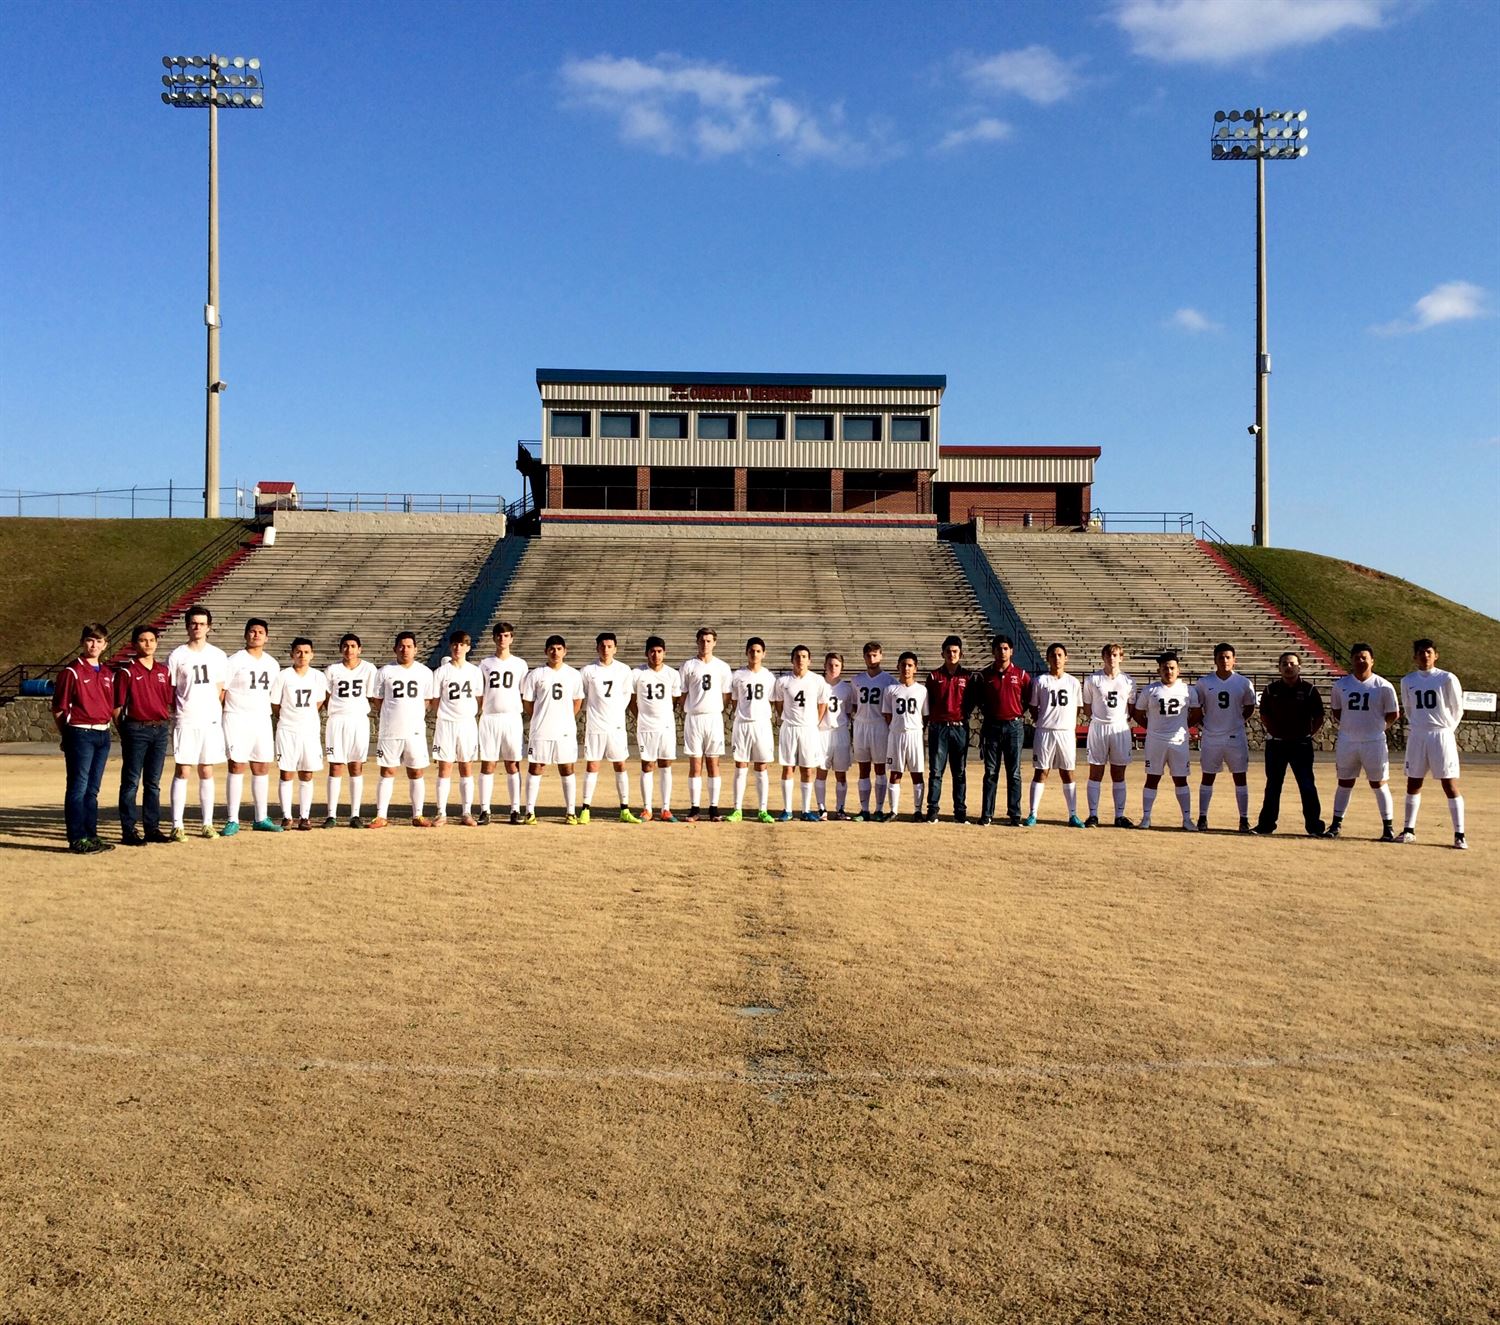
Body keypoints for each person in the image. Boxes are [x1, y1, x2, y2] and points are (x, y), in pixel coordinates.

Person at [166, 604, 229, 840]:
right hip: (186, 719)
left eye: (202, 623)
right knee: (183, 770)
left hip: (210, 721)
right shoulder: (177, 655)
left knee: (206, 770)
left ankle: (207, 823)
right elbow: (171, 690)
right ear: (187, 626)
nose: (197, 627)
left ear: (209, 627)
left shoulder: (218, 655)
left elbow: (221, 690)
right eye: (193, 623)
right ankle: (177, 824)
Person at [53, 622, 116, 854]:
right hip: (80, 732)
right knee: (78, 787)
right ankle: (77, 837)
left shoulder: (108, 673)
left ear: (105, 645)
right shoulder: (72, 672)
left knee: (93, 790)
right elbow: (59, 708)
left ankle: (91, 834)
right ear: (82, 642)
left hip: (102, 733)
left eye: (99, 641)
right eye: (90, 640)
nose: (94, 645)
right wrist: (67, 734)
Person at [1399, 638, 1467, 849]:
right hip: (1418, 734)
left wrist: (1447, 731)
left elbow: (1457, 708)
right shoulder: (1408, 680)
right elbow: (1408, 708)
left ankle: (1459, 834)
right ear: (1414, 656)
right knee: (1413, 782)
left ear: (1435, 655)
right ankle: (1409, 830)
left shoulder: (1446, 678)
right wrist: (1419, 727)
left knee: (1449, 783)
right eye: (1420, 652)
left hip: (1441, 734)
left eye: (1428, 652)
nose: (1424, 655)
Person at [1328, 642, 1399, 841]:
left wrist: (1377, 728)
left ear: (1372, 660)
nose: (1360, 661)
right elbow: (1337, 711)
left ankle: (1388, 826)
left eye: (1364, 657)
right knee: (1344, 782)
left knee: (1379, 783)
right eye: (1357, 658)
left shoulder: (1383, 686)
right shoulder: (1341, 685)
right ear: (1351, 660)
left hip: (1374, 741)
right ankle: (1336, 824)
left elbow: (1393, 714)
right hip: (1348, 741)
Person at [1253, 650, 1326, 838]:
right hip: (1277, 745)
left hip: (1301, 745)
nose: (1288, 666)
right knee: (1273, 785)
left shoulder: (1309, 690)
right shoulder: (1271, 690)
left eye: (1292, 663)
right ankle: (1266, 824)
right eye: (1284, 664)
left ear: (1299, 666)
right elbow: (1264, 715)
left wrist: (1308, 734)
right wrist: (1274, 732)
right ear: (1279, 668)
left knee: (1307, 785)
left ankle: (1314, 826)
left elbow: (1319, 716)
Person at [113, 624, 173, 845]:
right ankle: (128, 830)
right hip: (136, 728)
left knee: (153, 782)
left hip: (159, 729)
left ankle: (152, 828)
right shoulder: (126, 672)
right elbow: (117, 707)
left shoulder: (163, 671)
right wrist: (125, 732)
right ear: (134, 644)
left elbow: (166, 701)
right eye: (142, 640)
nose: (147, 644)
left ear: (156, 643)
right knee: (130, 782)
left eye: (151, 640)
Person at [370, 631, 435, 828]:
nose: (404, 649)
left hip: (414, 730)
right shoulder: (384, 672)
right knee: (387, 770)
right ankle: (381, 815)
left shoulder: (424, 672)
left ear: (416, 649)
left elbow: (427, 700)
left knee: (416, 772)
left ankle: (418, 815)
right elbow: (378, 700)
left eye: (408, 646)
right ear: (395, 648)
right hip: (390, 730)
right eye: (401, 646)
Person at [1130, 651, 1202, 831]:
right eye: (1165, 668)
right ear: (1159, 670)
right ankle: (1146, 818)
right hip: (1155, 741)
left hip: (1178, 741)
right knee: (1152, 778)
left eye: (1172, 668)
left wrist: (1183, 726)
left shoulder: (1188, 690)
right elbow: (1138, 713)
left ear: (1178, 670)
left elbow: (1197, 713)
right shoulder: (1151, 690)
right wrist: (1151, 727)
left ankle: (1186, 819)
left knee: (1180, 779)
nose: (1168, 671)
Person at [222, 617, 281, 835]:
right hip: (237, 716)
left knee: (262, 766)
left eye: (260, 632)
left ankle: (260, 817)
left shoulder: (272, 663)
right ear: (246, 634)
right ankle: (232, 819)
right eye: (252, 631)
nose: (256, 635)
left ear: (266, 637)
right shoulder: (234, 660)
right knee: (237, 765)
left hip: (261, 718)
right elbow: (222, 690)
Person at [520, 634, 584, 824]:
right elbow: (528, 702)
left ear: (565, 651)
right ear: (546, 651)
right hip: (541, 729)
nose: (555, 652)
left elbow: (577, 701)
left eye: (558, 649)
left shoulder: (573, 674)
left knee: (567, 767)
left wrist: (564, 718)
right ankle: (530, 811)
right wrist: (540, 717)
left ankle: (571, 811)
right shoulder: (536, 674)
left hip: (564, 730)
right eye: (551, 649)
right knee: (536, 766)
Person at [1194, 643, 1257, 832]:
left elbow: (1249, 707)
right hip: (1212, 735)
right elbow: (1197, 708)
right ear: (1215, 660)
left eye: (1228, 657)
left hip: (1234, 736)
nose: (1224, 660)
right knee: (1207, 776)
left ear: (1234, 660)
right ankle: (1203, 817)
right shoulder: (1204, 682)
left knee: (1240, 777)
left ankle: (1244, 819)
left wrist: (1237, 722)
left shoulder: (1244, 683)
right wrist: (1204, 724)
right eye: (1220, 657)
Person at [969, 635, 1031, 826]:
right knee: (990, 772)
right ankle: (987, 814)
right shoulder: (985, 675)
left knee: (1014, 773)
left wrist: (1017, 712)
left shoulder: (1021, 675)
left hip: (1014, 726)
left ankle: (1014, 814)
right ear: (993, 651)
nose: (1002, 652)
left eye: (1005, 648)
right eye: (998, 648)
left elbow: (1028, 698)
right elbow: (978, 699)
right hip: (992, 726)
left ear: (1011, 651)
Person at [579, 631, 639, 824]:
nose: (606, 649)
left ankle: (625, 809)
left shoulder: (623, 670)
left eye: (609, 646)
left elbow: (627, 696)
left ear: (615, 648)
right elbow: (583, 695)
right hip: (595, 726)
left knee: (620, 765)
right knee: (592, 765)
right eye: (602, 646)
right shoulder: (588, 671)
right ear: (597, 648)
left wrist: (614, 714)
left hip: (616, 726)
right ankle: (585, 809)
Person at [1025, 642, 1084, 828]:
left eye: (1060, 655)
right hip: (1045, 732)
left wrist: (1066, 725)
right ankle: (1033, 813)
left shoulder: (1073, 682)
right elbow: (1033, 708)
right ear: (1048, 658)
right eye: (1053, 655)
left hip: (1065, 733)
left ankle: (1073, 815)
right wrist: (1044, 721)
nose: (1056, 658)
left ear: (1066, 658)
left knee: (1068, 773)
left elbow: (1078, 708)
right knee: (1041, 771)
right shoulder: (1040, 681)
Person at [271, 637, 328, 830]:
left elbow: (319, 702)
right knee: (287, 773)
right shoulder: (283, 676)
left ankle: (305, 816)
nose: (302, 655)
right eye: (298, 652)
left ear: (312, 654)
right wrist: (288, 718)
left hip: (309, 731)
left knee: (306, 773)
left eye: (306, 652)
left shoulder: (318, 677)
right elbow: (276, 705)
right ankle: (287, 816)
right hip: (287, 729)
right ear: (292, 654)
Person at [323, 632, 378, 828]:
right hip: (337, 720)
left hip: (358, 721)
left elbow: (371, 695)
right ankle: (331, 815)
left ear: (359, 649)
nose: (349, 649)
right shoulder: (332, 669)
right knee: (336, 766)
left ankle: (355, 814)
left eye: (353, 646)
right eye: (345, 646)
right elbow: (327, 695)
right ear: (340, 649)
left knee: (356, 766)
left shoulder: (369, 669)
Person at [680, 627, 734, 822]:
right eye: (702, 640)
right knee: (695, 764)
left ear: (715, 643)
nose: (705, 644)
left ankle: (713, 808)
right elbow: (682, 693)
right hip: (694, 718)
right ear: (697, 642)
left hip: (713, 718)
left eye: (709, 641)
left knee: (713, 764)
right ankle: (694, 808)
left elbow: (726, 695)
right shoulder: (688, 666)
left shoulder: (722, 667)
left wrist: (716, 708)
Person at [429, 630, 482, 825]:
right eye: (455, 644)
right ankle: (441, 813)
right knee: (445, 768)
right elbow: (435, 699)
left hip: (467, 724)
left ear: (468, 647)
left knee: (466, 767)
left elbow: (479, 697)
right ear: (450, 646)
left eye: (462, 644)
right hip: (446, 724)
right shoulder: (441, 672)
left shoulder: (475, 671)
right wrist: (444, 715)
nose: (458, 648)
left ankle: (466, 812)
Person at [477, 621, 528, 825]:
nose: (502, 638)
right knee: (488, 764)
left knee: (512, 764)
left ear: (512, 638)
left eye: (506, 635)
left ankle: (515, 809)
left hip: (512, 717)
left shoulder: (520, 664)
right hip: (490, 717)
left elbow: (525, 692)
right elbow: (480, 692)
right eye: (499, 635)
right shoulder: (485, 663)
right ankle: (484, 810)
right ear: (494, 638)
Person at [1081, 642, 1135, 828]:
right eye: (1108, 655)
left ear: (1121, 657)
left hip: (1119, 728)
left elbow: (1132, 707)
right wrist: (1098, 720)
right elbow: (1087, 708)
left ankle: (1119, 816)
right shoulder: (1093, 680)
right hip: (1098, 728)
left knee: (1118, 773)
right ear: (1103, 657)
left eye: (1115, 655)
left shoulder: (1128, 681)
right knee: (1095, 771)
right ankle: (1093, 815)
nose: (1111, 658)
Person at [774, 644, 830, 822]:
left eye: (804, 656)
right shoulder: (783, 681)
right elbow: (779, 703)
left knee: (808, 770)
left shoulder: (817, 680)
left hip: (808, 729)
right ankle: (788, 809)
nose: (800, 659)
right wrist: (787, 718)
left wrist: (814, 722)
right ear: (792, 659)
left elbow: (823, 703)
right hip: (790, 728)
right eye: (797, 656)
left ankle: (806, 809)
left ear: (809, 660)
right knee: (788, 767)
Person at [630, 635, 683, 822]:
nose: (656, 655)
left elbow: (676, 699)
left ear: (664, 653)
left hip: (666, 726)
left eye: (659, 651)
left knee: (666, 764)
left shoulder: (672, 674)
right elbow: (632, 700)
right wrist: (642, 717)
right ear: (647, 653)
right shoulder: (637, 673)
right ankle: (647, 809)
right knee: (647, 765)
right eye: (652, 651)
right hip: (646, 727)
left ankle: (666, 809)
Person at [925, 635, 973, 823]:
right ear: (942, 653)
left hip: (959, 728)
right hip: (939, 728)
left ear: (960, 654)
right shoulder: (934, 676)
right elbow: (929, 701)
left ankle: (960, 811)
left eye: (955, 651)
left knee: (959, 771)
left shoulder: (968, 676)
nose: (951, 655)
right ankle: (933, 810)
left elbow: (970, 702)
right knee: (936, 771)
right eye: (948, 651)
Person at [728, 637, 776, 823]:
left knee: (761, 767)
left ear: (763, 653)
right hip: (743, 724)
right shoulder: (738, 675)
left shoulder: (769, 677)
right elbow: (734, 700)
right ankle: (737, 809)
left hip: (762, 724)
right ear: (746, 652)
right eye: (751, 651)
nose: (754, 654)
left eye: (758, 651)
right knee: (740, 766)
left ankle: (762, 810)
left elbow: (773, 700)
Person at [848, 641, 895, 821]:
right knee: (863, 769)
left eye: (875, 655)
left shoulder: (890, 681)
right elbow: (853, 705)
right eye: (868, 655)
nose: (872, 658)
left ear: (881, 656)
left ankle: (879, 809)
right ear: (864, 657)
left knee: (880, 769)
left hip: (880, 726)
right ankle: (864, 809)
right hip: (861, 725)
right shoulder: (857, 680)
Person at [881, 651, 928, 820]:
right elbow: (887, 714)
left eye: (910, 665)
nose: (906, 668)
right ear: (898, 667)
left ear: (915, 668)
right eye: (903, 665)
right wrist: (896, 727)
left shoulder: (922, 690)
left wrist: (917, 729)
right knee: (895, 773)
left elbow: (925, 714)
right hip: (896, 735)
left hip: (914, 735)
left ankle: (917, 811)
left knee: (917, 773)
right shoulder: (890, 689)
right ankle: (893, 810)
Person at [815, 652, 854, 820]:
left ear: (842, 667)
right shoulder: (817, 684)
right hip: (822, 732)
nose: (833, 668)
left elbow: (848, 711)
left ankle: (840, 809)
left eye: (837, 665)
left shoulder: (846, 688)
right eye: (830, 665)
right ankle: (821, 808)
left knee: (841, 773)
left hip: (840, 732)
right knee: (821, 771)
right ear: (825, 665)